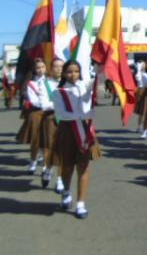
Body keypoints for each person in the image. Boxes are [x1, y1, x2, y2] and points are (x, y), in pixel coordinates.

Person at [53, 60, 102, 219]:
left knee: (84, 166)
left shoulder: (86, 86)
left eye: (76, 71)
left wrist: (103, 65)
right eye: (69, 71)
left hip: (86, 130)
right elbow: (62, 115)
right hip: (68, 131)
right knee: (67, 167)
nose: (73, 74)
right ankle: (66, 191)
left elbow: (101, 77)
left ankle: (81, 203)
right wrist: (85, 115)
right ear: (64, 73)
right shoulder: (59, 91)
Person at [16, 58, 51, 174]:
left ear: (46, 68)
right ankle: (33, 161)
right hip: (36, 114)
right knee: (35, 140)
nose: (40, 70)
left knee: (47, 141)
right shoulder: (31, 84)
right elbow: (34, 101)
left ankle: (46, 165)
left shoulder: (50, 82)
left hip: (49, 114)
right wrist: (47, 104)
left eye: (42, 67)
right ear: (34, 70)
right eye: (38, 68)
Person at [39, 58, 64, 191]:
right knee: (50, 148)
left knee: (64, 149)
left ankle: (60, 179)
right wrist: (62, 104)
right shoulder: (45, 84)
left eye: (61, 66)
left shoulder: (68, 83)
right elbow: (44, 105)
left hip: (66, 120)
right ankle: (48, 169)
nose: (59, 69)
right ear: (51, 68)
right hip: (51, 120)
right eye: (56, 66)